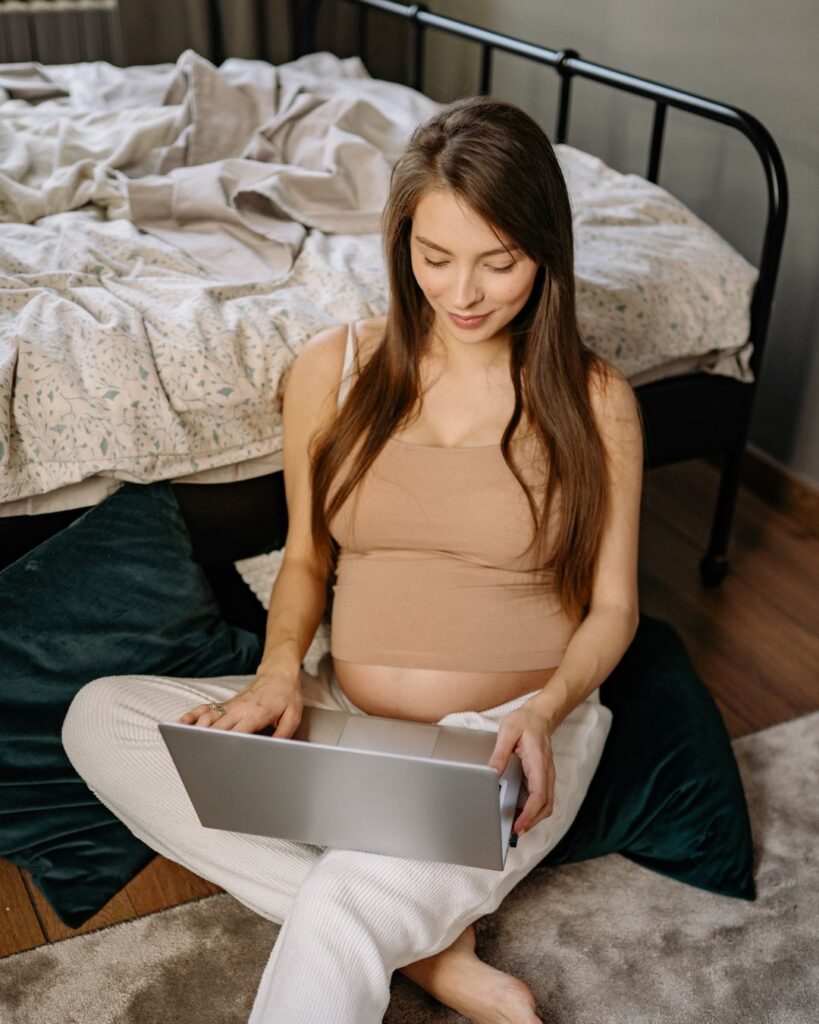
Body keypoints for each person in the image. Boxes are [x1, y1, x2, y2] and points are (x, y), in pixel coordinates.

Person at [63, 95, 644, 1024]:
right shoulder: (330, 371)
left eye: (499, 263)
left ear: (546, 254)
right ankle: (430, 958)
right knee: (100, 720)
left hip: (504, 743)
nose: (462, 294)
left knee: (346, 903)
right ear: (400, 242)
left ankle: (375, 914)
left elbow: (614, 608)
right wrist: (278, 674)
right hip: (340, 724)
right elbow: (303, 559)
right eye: (434, 258)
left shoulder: (595, 397)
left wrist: (541, 712)